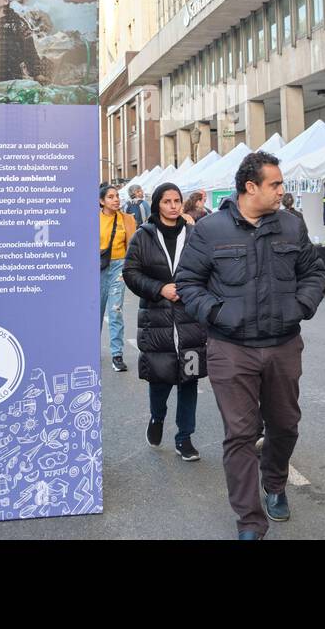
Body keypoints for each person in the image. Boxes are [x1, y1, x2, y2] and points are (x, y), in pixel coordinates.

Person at [175, 151, 325, 539]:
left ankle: (274, 483)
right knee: (240, 434)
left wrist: (301, 306)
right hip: (231, 348)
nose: (282, 191)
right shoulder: (209, 230)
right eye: (275, 184)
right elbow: (188, 283)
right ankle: (249, 521)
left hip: (283, 345)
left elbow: (313, 271)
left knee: (285, 424)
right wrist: (219, 314)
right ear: (250, 187)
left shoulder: (292, 227)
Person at [123, 182, 207, 462]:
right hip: (156, 319)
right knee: (160, 379)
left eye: (177, 200)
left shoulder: (195, 235)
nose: (173, 206)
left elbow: (207, 269)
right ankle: (157, 417)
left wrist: (193, 290)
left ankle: (185, 438)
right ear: (157, 204)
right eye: (167, 201)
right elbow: (131, 273)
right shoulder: (143, 236)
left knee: (189, 380)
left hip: (190, 320)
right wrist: (160, 288)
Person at [99, 185, 137, 373]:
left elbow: (132, 244)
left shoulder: (126, 219)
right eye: (111, 197)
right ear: (101, 201)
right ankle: (90, 350)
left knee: (115, 311)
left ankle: (117, 354)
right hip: (96, 268)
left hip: (118, 267)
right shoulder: (93, 219)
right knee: (95, 312)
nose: (116, 200)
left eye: (117, 196)